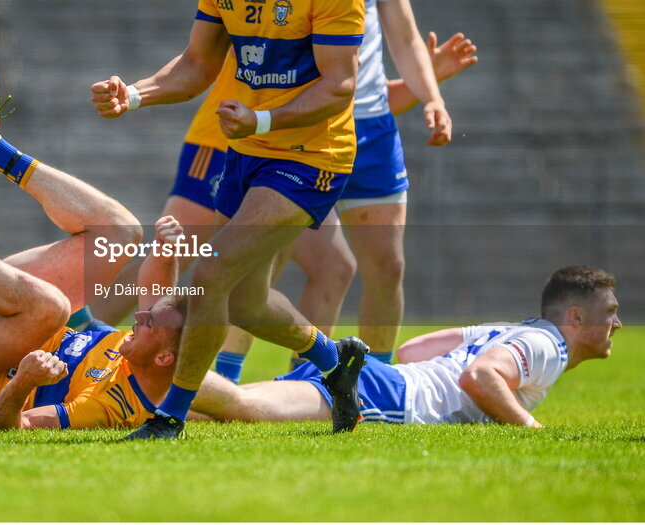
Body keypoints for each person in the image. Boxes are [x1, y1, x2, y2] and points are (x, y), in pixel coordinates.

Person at [91, 3, 478, 383]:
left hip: (327, 138)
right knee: (207, 262)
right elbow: (201, 64)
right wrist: (137, 93)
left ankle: (330, 384)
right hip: (240, 136)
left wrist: (429, 94)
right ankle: (90, 344)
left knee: (311, 269)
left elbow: (360, 75)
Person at [92, 0, 382, 438]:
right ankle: (334, 362)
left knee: (209, 274)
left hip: (311, 158)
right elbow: (196, 64)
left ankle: (170, 418)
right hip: (245, 152)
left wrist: (263, 119)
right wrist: (133, 94)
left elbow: (340, 84)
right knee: (246, 304)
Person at [0, 60, 186, 429]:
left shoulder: (110, 405)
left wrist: (25, 380)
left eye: (149, 323)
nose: (139, 317)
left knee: (54, 306)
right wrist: (169, 249)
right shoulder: (153, 345)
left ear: (164, 359)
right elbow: (159, 293)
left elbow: (3, 426)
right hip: (15, 313)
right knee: (123, 233)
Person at [191, 266, 620, 427]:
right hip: (391, 397)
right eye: (610, 312)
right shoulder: (549, 346)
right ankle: (133, 374)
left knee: (233, 410)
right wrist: (529, 426)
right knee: (242, 407)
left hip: (383, 380)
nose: (617, 323)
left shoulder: (510, 330)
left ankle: (135, 395)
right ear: (576, 318)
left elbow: (412, 350)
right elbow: (478, 376)